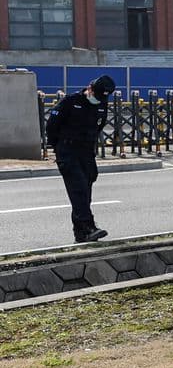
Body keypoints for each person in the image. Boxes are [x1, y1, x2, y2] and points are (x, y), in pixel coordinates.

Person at [46, 74, 116, 243]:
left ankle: (81, 234)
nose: (99, 100)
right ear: (89, 88)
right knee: (78, 189)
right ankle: (89, 226)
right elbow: (51, 125)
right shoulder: (71, 102)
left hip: (86, 152)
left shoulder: (101, 103)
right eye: (97, 96)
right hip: (68, 150)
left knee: (86, 190)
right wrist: (58, 147)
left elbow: (98, 126)